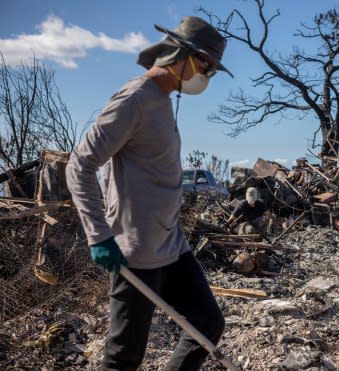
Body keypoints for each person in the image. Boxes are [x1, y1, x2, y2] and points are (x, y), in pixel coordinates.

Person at [65, 16, 231, 370]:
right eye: (208, 65)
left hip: (171, 245)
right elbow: (79, 164)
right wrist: (98, 235)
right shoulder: (135, 99)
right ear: (183, 54)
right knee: (123, 357)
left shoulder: (164, 100)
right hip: (136, 253)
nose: (209, 74)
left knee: (207, 324)